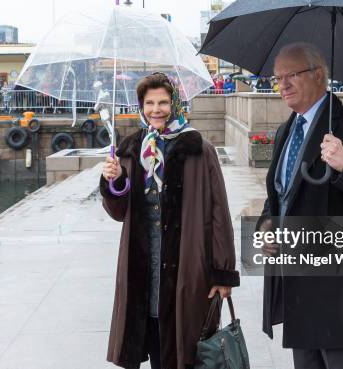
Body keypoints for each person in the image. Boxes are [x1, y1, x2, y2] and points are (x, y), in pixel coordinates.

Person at [257, 43, 343, 369]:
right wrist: (266, 224)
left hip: (339, 291)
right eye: (278, 78)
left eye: (291, 75)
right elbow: (279, 194)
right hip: (298, 287)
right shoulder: (285, 131)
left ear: (318, 75)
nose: (283, 85)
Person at [100, 72, 239, 369]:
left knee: (183, 348)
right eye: (149, 103)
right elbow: (118, 212)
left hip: (186, 265)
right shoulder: (131, 149)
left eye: (163, 102)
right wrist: (112, 181)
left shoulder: (198, 149)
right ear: (141, 105)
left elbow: (219, 212)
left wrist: (223, 272)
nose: (156, 109)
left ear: (174, 104)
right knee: (151, 337)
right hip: (144, 265)